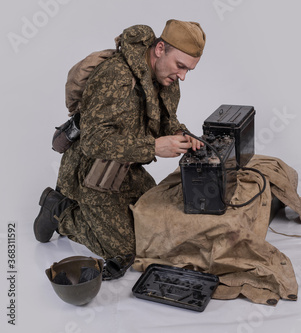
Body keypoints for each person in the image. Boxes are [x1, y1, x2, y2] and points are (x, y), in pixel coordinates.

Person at [33, 19, 206, 280]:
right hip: (91, 173)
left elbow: (165, 119)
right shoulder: (116, 76)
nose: (181, 75)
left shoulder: (165, 77)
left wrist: (182, 135)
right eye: (180, 66)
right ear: (160, 49)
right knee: (127, 251)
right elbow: (92, 141)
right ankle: (58, 211)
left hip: (128, 166)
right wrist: (154, 146)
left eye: (188, 70)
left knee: (157, 228)